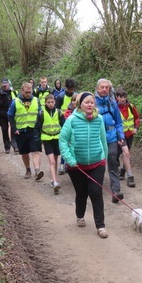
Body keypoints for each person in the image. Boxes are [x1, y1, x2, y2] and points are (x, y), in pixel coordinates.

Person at [58, 91, 109, 239]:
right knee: (82, 193)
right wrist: (69, 159)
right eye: (86, 102)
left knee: (95, 192)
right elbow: (63, 141)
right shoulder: (72, 120)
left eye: (92, 102)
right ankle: (80, 215)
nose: (89, 104)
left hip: (97, 163)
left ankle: (101, 226)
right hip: (76, 166)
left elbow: (103, 140)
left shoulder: (99, 119)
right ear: (80, 104)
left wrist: (104, 159)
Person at [95, 78, 127, 203]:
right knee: (98, 162)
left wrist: (121, 136)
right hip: (97, 137)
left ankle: (116, 192)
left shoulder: (113, 103)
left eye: (106, 87)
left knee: (113, 160)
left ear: (109, 89)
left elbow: (118, 122)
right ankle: (96, 189)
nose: (104, 89)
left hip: (112, 136)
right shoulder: (92, 102)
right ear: (97, 88)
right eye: (102, 87)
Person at [8, 82, 45, 181]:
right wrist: (14, 129)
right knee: (24, 153)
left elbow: (41, 115)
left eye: (30, 92)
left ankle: (37, 171)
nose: (28, 94)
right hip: (21, 131)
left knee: (36, 151)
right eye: (26, 92)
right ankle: (28, 170)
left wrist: (41, 128)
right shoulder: (15, 101)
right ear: (22, 91)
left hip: (34, 130)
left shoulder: (36, 101)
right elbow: (10, 115)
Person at [35, 94, 64, 194]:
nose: (51, 104)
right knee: (52, 161)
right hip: (47, 139)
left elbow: (64, 126)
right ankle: (55, 182)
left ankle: (53, 179)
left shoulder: (59, 112)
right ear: (45, 103)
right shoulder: (41, 113)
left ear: (55, 102)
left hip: (57, 138)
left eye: (52, 102)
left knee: (55, 160)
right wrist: (38, 140)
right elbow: (37, 127)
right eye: (49, 102)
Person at [115, 88, 141, 188]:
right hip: (120, 136)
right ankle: (130, 176)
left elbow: (137, 117)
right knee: (123, 153)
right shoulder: (114, 108)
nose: (123, 99)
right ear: (117, 97)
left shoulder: (130, 106)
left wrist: (136, 127)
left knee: (127, 153)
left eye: (124, 97)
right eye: (121, 97)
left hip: (130, 134)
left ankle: (122, 171)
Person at [0, 78, 19, 154]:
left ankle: (15, 146)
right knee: (4, 130)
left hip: (12, 114)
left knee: (14, 130)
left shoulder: (14, 92)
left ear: (8, 84)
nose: (5, 86)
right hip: (2, 113)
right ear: (1, 84)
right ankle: (7, 147)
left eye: (6, 85)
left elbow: (19, 102)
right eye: (3, 85)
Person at [56, 78, 78, 174]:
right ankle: (62, 164)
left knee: (73, 144)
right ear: (66, 88)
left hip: (75, 123)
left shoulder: (77, 96)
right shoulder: (60, 96)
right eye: (69, 89)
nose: (70, 91)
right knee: (64, 144)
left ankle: (70, 164)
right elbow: (57, 110)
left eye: (72, 89)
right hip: (63, 123)